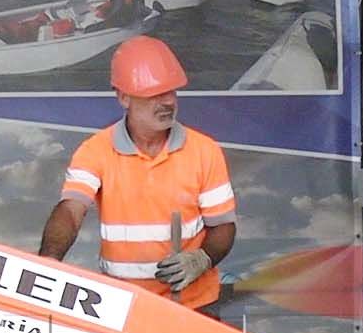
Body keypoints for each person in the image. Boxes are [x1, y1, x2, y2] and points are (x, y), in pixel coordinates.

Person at [40, 36, 236, 315]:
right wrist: (47, 264)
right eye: (155, 94)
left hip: (194, 307)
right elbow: (71, 211)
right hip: (122, 308)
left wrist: (202, 258)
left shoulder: (205, 151)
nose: (167, 102)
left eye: (171, 92)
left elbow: (223, 226)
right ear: (123, 97)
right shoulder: (95, 151)